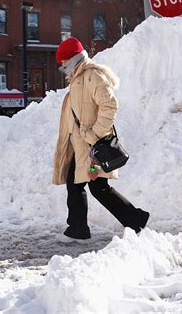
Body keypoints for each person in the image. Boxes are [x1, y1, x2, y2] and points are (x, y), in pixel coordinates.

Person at [52, 37, 149, 242]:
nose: (61, 67)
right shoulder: (78, 78)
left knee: (99, 188)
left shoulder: (92, 76)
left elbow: (109, 106)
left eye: (62, 62)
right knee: (75, 183)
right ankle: (78, 229)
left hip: (92, 144)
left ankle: (136, 220)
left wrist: (94, 133)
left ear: (71, 60)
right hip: (80, 145)